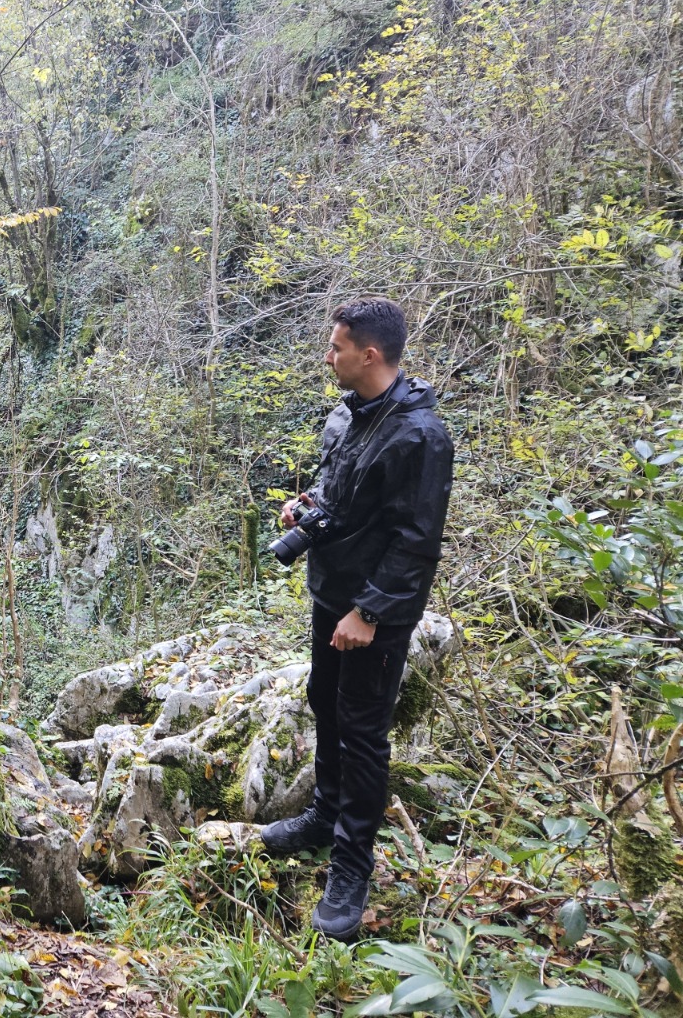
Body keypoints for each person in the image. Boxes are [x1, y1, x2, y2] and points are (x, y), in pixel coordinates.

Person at [260, 296, 454, 942]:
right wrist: (305, 506)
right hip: (330, 591)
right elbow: (337, 494)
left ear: (369, 355)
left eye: (337, 346)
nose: (328, 355)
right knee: (324, 701)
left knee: (364, 730)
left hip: (376, 610)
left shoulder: (422, 437)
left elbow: (416, 542)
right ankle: (322, 817)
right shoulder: (346, 416)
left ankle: (351, 867)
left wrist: (369, 612)